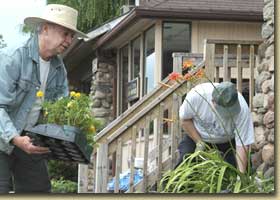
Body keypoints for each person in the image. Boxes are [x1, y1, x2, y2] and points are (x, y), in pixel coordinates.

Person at [0, 4, 87, 193]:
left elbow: (59, 108)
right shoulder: (13, 57)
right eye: (65, 33)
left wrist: (68, 136)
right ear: (45, 29)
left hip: (29, 139)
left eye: (72, 36)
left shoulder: (58, 68)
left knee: (39, 190)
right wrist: (14, 138)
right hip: (3, 136)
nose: (69, 40)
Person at [177, 81, 254, 173]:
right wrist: (199, 142)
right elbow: (185, 120)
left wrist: (240, 176)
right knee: (185, 160)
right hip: (198, 137)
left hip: (228, 141)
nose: (227, 114)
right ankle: (171, 187)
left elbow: (243, 143)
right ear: (213, 101)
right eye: (223, 111)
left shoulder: (242, 109)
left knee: (244, 168)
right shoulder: (197, 96)